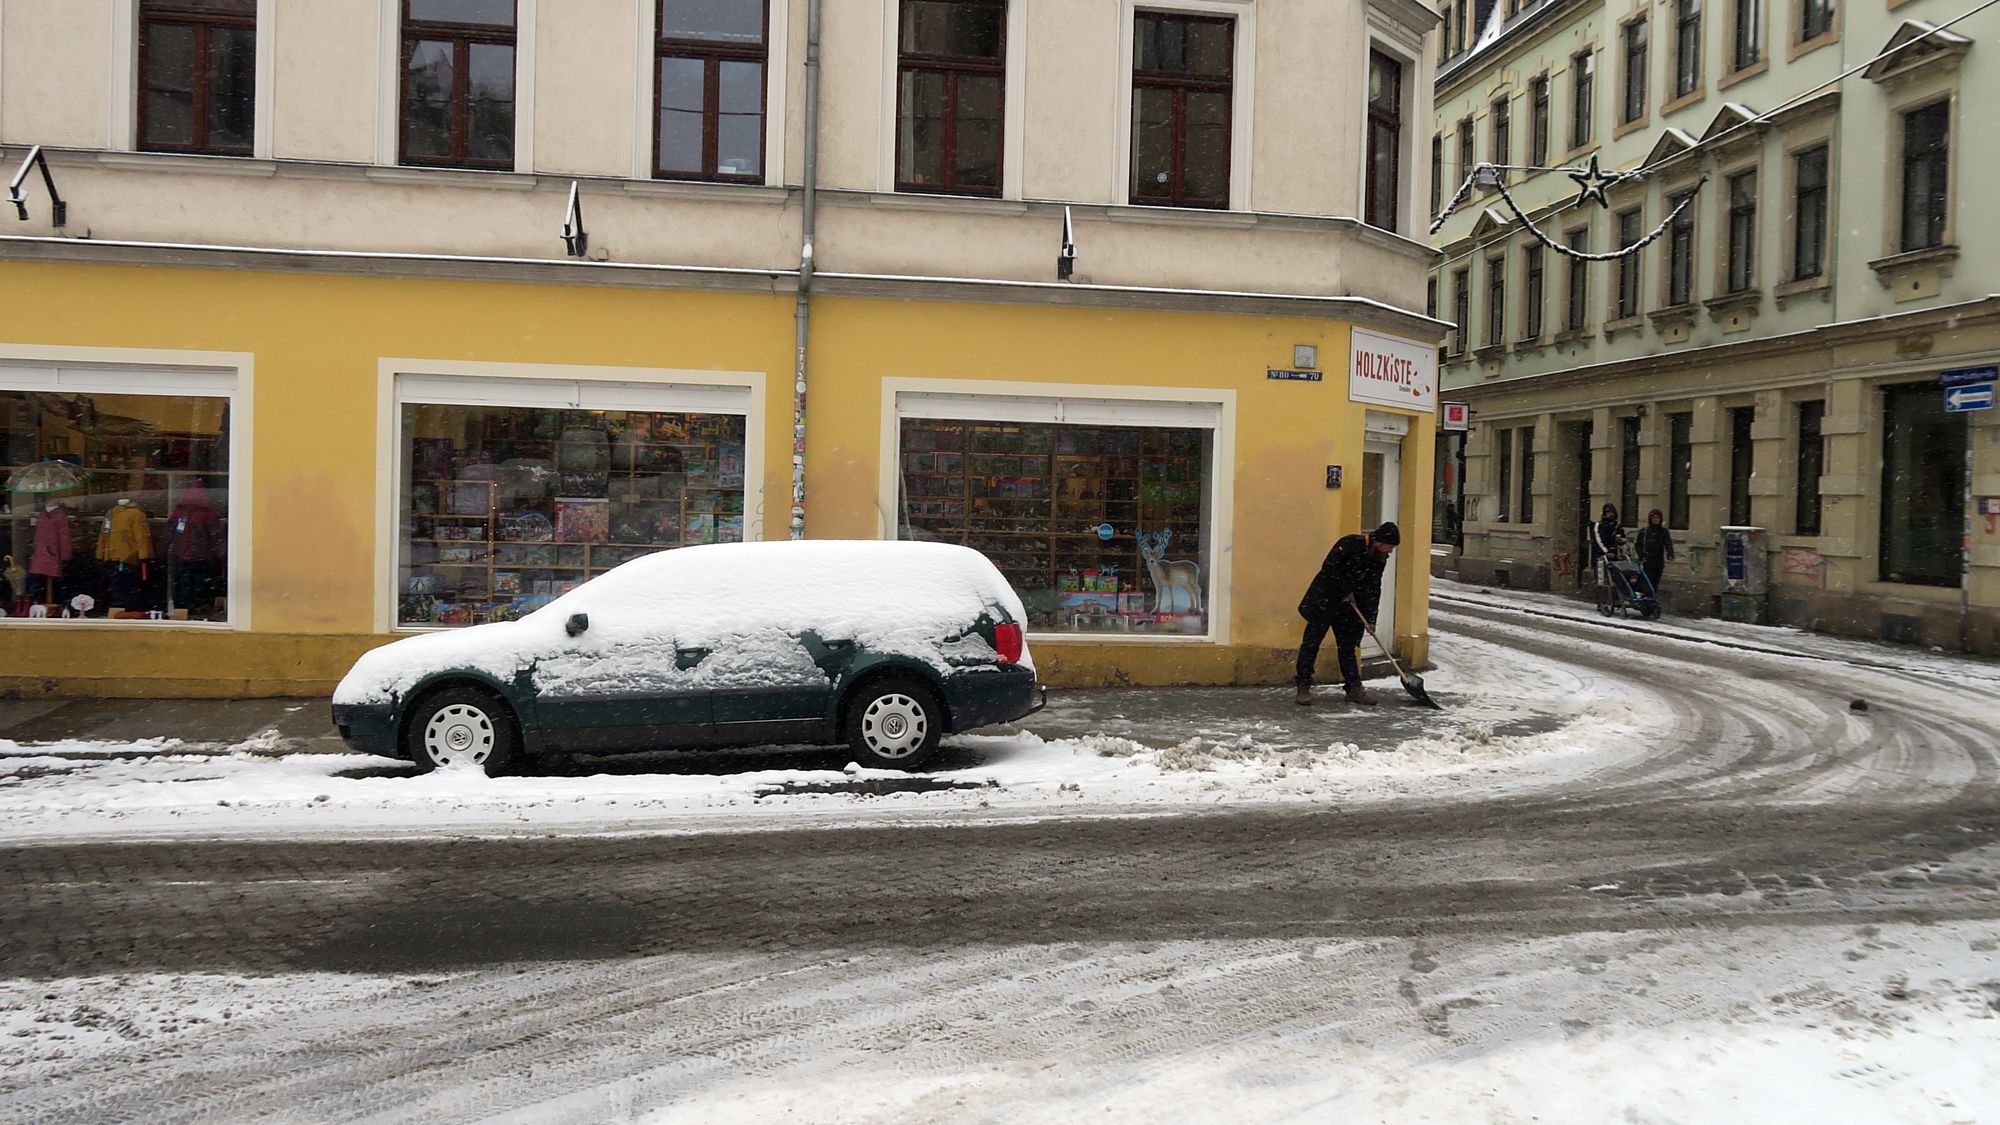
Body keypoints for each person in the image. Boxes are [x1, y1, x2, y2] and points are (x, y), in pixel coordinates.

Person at [1295, 522, 1399, 707]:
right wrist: (1345, 590)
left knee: (1348, 648)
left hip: (1349, 609)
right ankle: (1303, 685)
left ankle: (1353, 689)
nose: (1390, 551)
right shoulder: (1349, 543)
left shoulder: (1379, 558)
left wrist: (1370, 618)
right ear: (1380, 541)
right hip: (1324, 601)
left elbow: (1374, 588)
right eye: (1389, 546)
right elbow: (1330, 568)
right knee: (1311, 644)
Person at [1633, 508, 1675, 597]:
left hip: (1658, 560)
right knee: (1647, 581)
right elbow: (1638, 545)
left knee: (1655, 581)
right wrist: (1642, 555)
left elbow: (1668, 543)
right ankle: (1646, 596)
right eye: (1654, 517)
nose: (1656, 519)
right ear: (1650, 519)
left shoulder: (1663, 531)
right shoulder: (1644, 532)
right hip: (1647, 561)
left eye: (1658, 517)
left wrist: (1670, 553)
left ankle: (1651, 598)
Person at [1588, 503, 1625, 589]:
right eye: (1608, 512)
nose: (1610, 514)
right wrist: (1606, 552)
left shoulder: (1617, 526)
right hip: (1600, 556)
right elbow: (1597, 540)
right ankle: (1602, 596)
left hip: (1614, 556)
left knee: (1615, 577)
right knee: (1601, 579)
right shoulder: (1598, 526)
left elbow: (1622, 538)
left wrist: (1621, 541)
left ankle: (1615, 596)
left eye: (1612, 512)